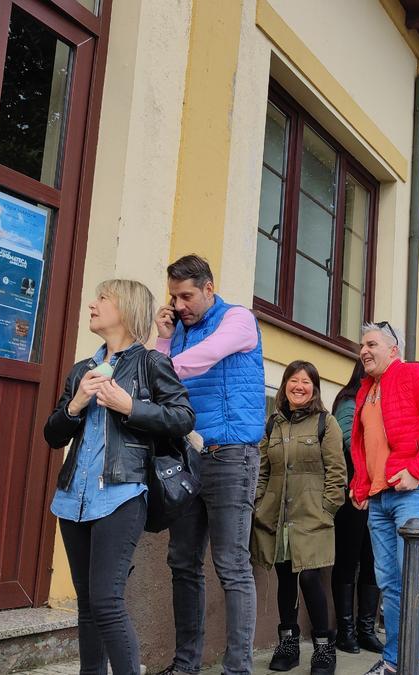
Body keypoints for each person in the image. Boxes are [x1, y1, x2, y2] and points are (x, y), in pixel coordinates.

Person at [44, 280, 195, 675]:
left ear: (125, 310)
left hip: (122, 492)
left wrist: (131, 406)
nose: (91, 305)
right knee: (88, 605)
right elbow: (53, 434)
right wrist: (76, 403)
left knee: (107, 600)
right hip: (73, 497)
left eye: (102, 299)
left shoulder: (151, 364)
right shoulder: (82, 369)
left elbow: (183, 419)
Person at [154, 255, 266, 675]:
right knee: (182, 561)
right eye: (173, 296)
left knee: (232, 566)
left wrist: (154, 365)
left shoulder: (237, 319)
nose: (179, 305)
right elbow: (167, 388)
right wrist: (164, 340)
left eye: (186, 296)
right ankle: (186, 665)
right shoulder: (177, 333)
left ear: (208, 288)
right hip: (187, 457)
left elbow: (204, 358)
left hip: (230, 457)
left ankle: (237, 669)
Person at [350, 322, 419, 675]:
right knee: (390, 585)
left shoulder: (414, 374)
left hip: (413, 492)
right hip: (379, 499)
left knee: (415, 581)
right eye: (361, 345)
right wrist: (361, 485)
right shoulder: (366, 390)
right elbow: (364, 446)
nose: (364, 350)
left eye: (371, 344)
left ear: (393, 349)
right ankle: (395, 660)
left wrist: (416, 470)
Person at [252, 361, 347, 674]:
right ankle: (288, 644)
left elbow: (337, 472)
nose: (299, 387)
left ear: (314, 388)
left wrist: (327, 509)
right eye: (294, 381)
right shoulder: (273, 424)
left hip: (312, 516)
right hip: (277, 516)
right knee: (286, 578)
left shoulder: (326, 423)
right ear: (284, 386)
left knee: (309, 577)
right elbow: (262, 470)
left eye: (305, 382)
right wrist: (258, 503)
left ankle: (323, 647)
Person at [331, 362, 383, 655]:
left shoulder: (381, 401)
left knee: (373, 564)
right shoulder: (349, 400)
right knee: (348, 562)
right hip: (351, 492)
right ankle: (345, 630)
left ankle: (366, 629)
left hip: (377, 494)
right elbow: (347, 440)